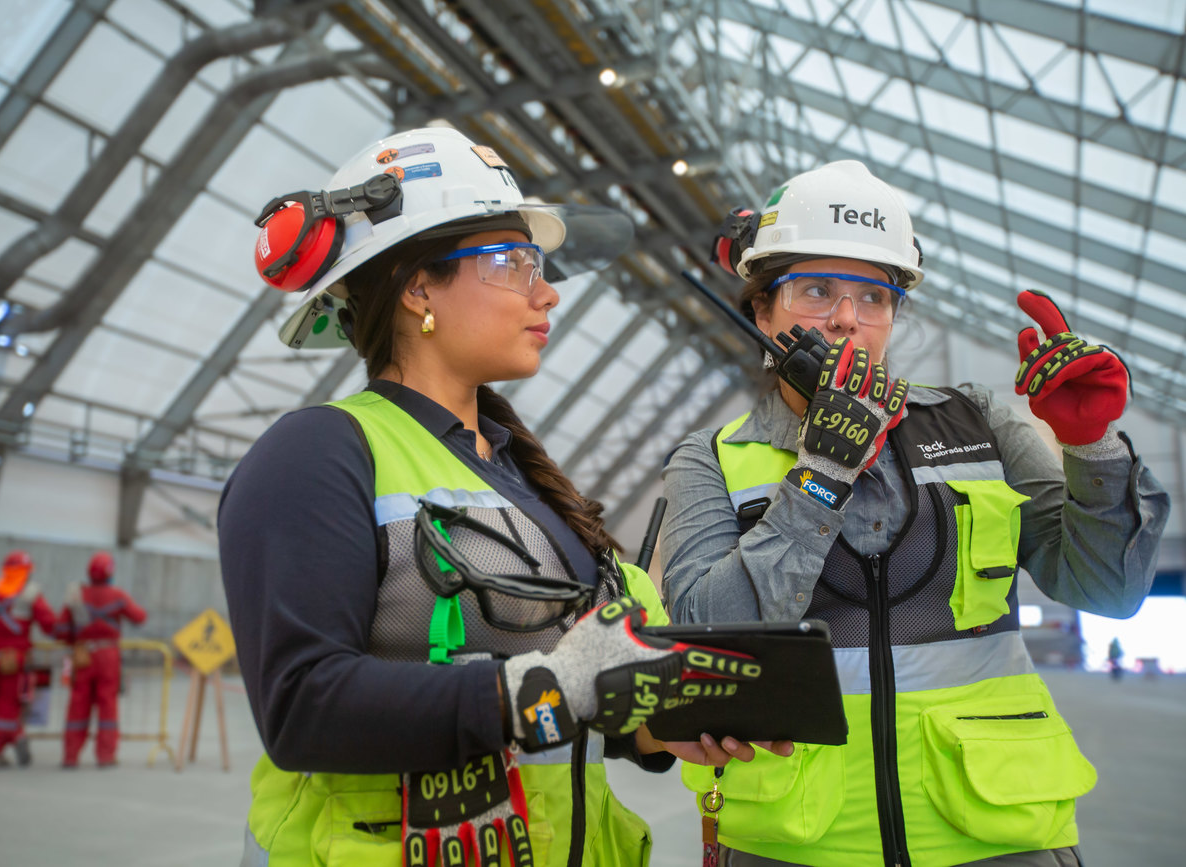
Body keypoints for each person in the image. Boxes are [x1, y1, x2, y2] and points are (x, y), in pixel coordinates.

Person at [220, 126, 770, 867]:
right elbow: (302, 706)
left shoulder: (514, 470)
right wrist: (550, 687)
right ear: (418, 286)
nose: (546, 293)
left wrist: (651, 722)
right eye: (514, 264)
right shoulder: (318, 454)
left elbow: (568, 690)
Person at [660, 159, 1170, 866]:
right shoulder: (711, 460)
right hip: (802, 844)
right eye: (815, 290)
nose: (846, 317)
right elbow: (700, 634)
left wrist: (1092, 447)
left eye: (874, 296)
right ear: (762, 311)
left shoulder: (981, 423)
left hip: (997, 836)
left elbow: (1107, 589)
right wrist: (821, 473)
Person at [58, 551, 148, 768]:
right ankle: (105, 756)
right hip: (108, 656)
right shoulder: (117, 595)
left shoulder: (76, 595)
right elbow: (139, 617)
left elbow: (60, 629)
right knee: (108, 705)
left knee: (78, 705)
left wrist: (76, 639)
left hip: (82, 656)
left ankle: (71, 756)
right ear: (110, 573)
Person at [0, 549, 57, 768]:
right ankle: (13, 738)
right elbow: (50, 625)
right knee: (7, 706)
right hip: (13, 661)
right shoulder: (30, 595)